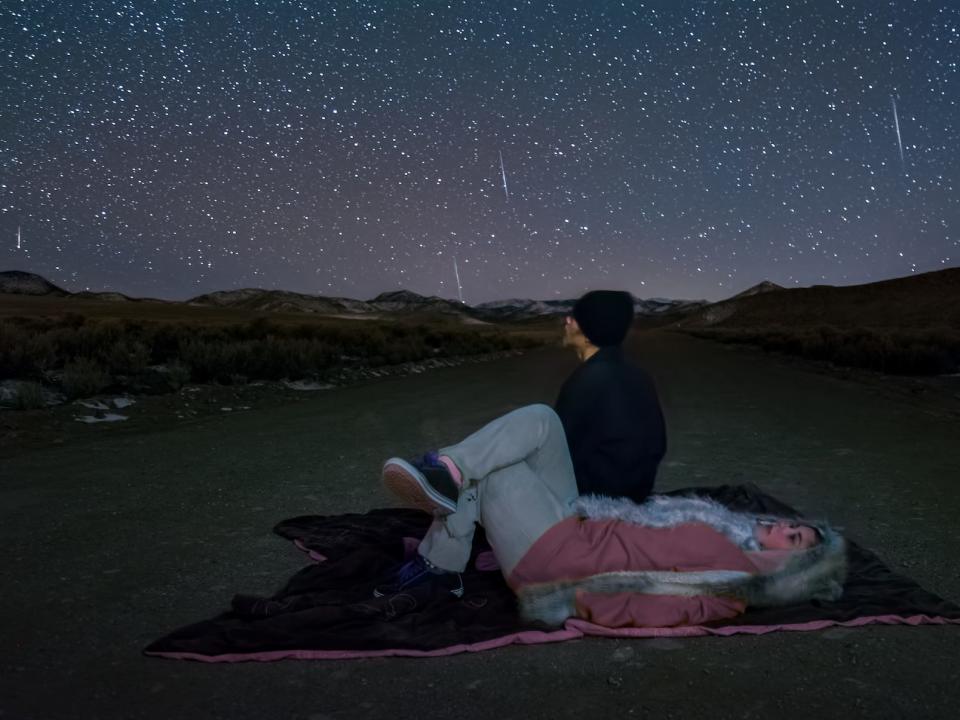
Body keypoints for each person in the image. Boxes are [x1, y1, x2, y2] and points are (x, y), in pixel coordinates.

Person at [377, 404, 847, 628]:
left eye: (795, 540)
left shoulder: (732, 583)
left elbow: (648, 609)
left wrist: (568, 602)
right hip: (578, 525)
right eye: (795, 524)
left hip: (554, 560)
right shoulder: (729, 527)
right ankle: (451, 473)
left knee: (499, 471)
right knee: (543, 421)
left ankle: (442, 558)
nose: (785, 526)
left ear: (789, 568)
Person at [555, 290, 666, 503]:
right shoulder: (639, 376)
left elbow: (562, 453)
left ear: (586, 331)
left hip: (593, 498)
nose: (566, 322)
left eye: (573, 318)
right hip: (637, 492)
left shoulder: (586, 380)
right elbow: (657, 445)